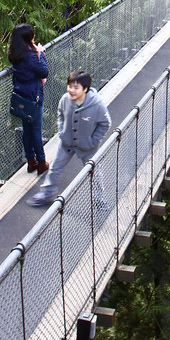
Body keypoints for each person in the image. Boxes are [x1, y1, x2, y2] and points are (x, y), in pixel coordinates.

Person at [28, 71, 111, 207]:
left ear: (85, 89)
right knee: (55, 167)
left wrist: (93, 141)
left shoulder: (97, 105)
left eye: (76, 88)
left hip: (87, 146)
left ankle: (100, 200)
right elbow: (60, 113)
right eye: (70, 86)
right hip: (67, 142)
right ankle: (47, 194)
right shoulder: (65, 100)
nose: (71, 90)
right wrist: (62, 132)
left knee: (95, 172)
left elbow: (105, 123)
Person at [9, 23, 49, 175]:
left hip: (22, 98)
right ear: (28, 38)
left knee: (27, 129)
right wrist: (41, 53)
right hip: (34, 97)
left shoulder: (15, 55)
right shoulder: (31, 56)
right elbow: (44, 72)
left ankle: (30, 161)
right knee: (36, 130)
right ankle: (42, 162)